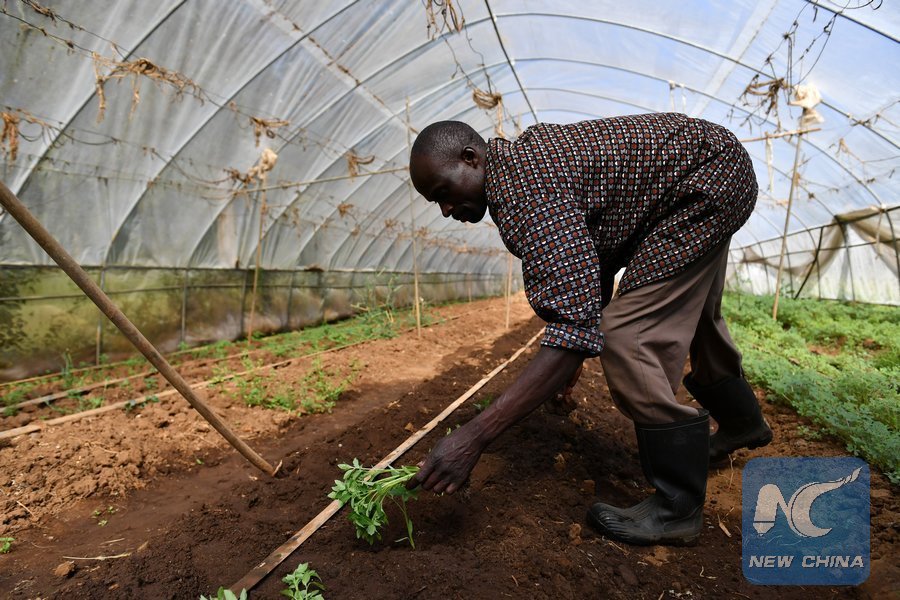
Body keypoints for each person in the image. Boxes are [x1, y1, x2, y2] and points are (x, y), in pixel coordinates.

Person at [406, 113, 773, 546]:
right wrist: (574, 349)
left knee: (628, 335)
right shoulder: (523, 166)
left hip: (701, 183)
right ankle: (740, 422)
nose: (447, 210)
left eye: (443, 193)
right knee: (694, 314)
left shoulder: (524, 191)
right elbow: (589, 266)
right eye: (437, 204)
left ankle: (678, 508)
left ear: (471, 158)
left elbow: (577, 324)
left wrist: (474, 436)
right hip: (713, 168)